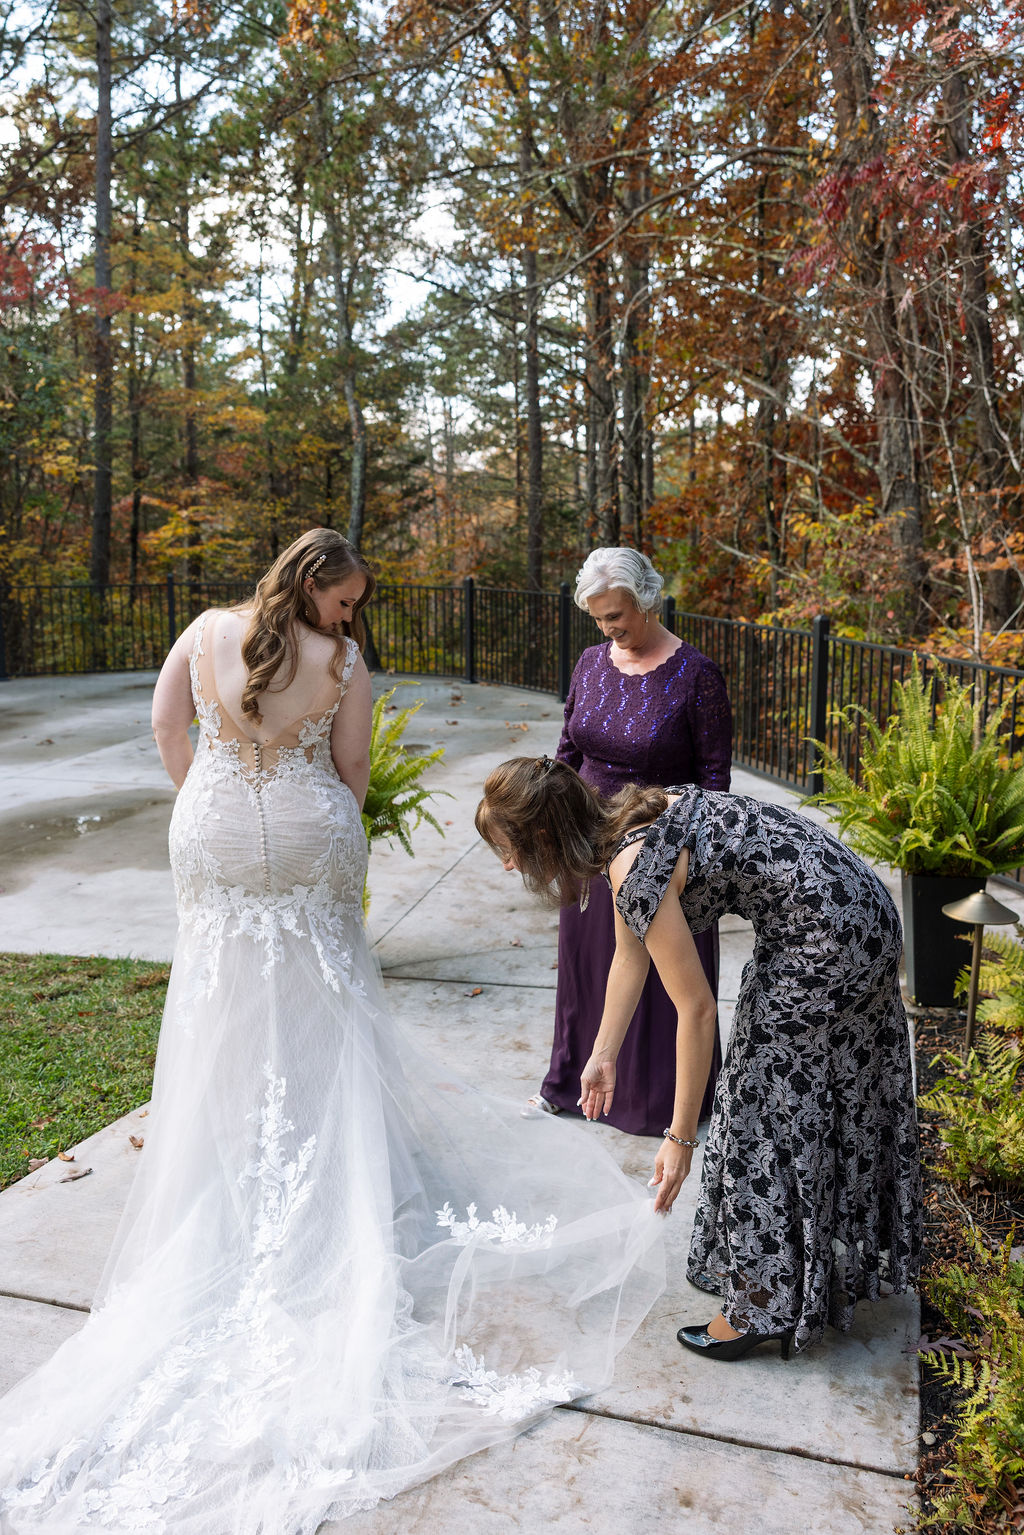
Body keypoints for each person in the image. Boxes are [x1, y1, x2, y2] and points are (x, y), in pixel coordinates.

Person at [0, 530, 663, 1532]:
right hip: (306, 837)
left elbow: (167, 726)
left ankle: (234, 1158)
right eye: (346, 599)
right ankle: (321, 1152)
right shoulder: (342, 664)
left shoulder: (206, 627)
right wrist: (322, 834)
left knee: (222, 1006)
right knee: (325, 1001)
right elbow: (350, 773)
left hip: (214, 832)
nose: (352, 617)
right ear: (312, 583)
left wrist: (211, 800)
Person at [477, 757, 922, 1359]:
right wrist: (601, 1056)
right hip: (851, 908)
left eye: (509, 848)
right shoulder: (633, 818)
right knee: (792, 1093)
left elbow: (698, 1010)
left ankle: (763, 1307)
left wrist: (680, 1137)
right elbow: (629, 955)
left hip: (826, 937)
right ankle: (802, 1270)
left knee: (759, 1106)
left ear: (545, 837)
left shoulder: (633, 866)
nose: (507, 865)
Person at [529, 546, 732, 1135]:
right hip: (586, 842)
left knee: (664, 978)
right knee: (588, 967)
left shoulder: (697, 674)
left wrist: (694, 857)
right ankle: (572, 1081)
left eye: (616, 615)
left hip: (664, 847)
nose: (608, 628)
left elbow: (715, 781)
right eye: (599, 619)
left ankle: (663, 1104)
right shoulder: (590, 663)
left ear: (648, 601)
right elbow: (568, 752)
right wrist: (551, 825)